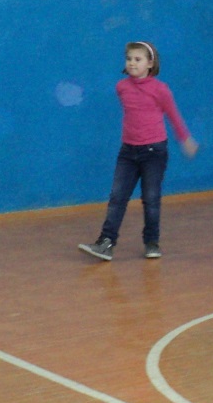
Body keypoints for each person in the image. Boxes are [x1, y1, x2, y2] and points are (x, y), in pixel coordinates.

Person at [79, 41, 198, 261]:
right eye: (129, 59)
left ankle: (152, 242)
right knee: (117, 197)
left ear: (150, 63)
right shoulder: (121, 88)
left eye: (138, 59)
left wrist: (185, 139)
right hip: (128, 152)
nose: (132, 63)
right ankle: (106, 243)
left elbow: (173, 115)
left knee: (151, 198)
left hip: (154, 152)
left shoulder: (160, 90)